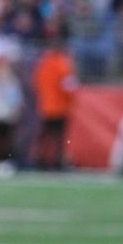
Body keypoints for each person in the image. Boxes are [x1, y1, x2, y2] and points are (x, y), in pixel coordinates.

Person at [31, 35, 77, 171]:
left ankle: (39, 161)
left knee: (44, 137)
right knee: (59, 139)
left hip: (46, 106)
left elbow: (36, 84)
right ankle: (57, 162)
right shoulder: (63, 64)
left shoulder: (43, 64)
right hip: (60, 107)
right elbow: (69, 87)